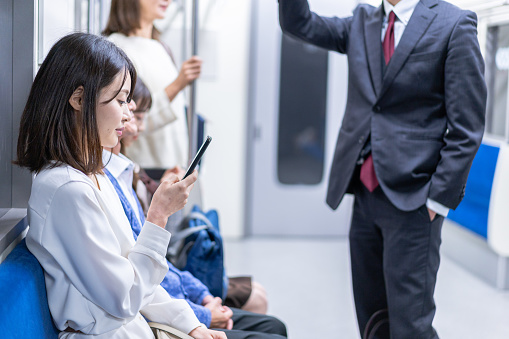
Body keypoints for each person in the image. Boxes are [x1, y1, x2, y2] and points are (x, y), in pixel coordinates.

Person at [279, 0, 487, 338]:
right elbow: (300, 24)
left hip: (415, 202)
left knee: (410, 327)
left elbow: (467, 128)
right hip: (364, 196)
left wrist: (437, 202)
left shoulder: (454, 23)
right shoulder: (363, 20)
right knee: (373, 320)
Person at [15, 32, 225, 339]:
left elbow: (139, 279)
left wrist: (190, 324)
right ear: (79, 99)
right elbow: (125, 296)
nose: (128, 115)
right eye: (121, 100)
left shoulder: (93, 175)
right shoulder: (66, 190)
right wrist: (158, 217)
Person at [104, 2, 270, 315]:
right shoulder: (117, 49)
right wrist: (178, 84)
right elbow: (130, 123)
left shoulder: (159, 46)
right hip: (147, 168)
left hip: (167, 167)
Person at [103, 79, 287, 339]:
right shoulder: (92, 186)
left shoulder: (126, 173)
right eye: (124, 104)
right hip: (153, 317)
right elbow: (135, 289)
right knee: (266, 321)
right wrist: (201, 317)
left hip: (173, 299)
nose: (131, 119)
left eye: (133, 110)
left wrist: (202, 297)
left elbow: (156, 270)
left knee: (272, 325)